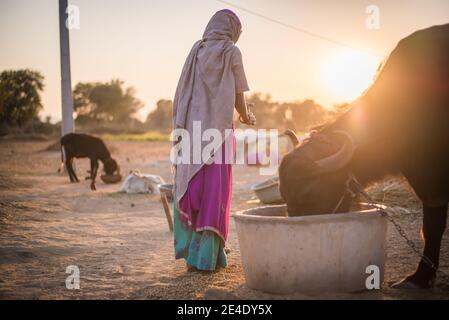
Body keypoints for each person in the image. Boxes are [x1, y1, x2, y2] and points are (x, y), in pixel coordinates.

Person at [172, 9, 255, 271]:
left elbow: (183, 91)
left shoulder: (196, 50)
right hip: (217, 134)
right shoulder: (231, 51)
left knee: (194, 187)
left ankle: (194, 257)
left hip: (192, 132)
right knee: (215, 192)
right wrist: (246, 116)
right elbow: (238, 93)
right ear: (232, 30)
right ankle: (206, 258)